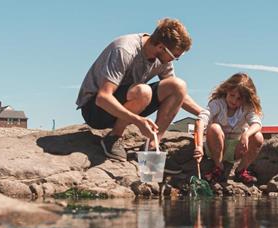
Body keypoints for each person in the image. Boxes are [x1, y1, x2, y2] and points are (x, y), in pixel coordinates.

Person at [76, 18, 210, 161]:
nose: (174, 60)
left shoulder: (162, 59)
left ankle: (152, 145)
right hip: (96, 110)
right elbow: (103, 98)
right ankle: (114, 137)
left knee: (178, 85)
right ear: (160, 47)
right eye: (175, 56)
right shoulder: (125, 50)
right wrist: (139, 121)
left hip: (128, 104)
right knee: (143, 92)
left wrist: (205, 113)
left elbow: (176, 93)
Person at [196, 73, 264, 185]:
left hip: (236, 149)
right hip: (214, 147)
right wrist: (199, 146)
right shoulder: (217, 103)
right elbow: (201, 120)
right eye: (232, 95)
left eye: (239, 99)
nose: (234, 101)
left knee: (258, 136)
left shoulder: (246, 108)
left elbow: (257, 123)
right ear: (227, 90)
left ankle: (241, 171)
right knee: (214, 127)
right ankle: (218, 168)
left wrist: (246, 135)